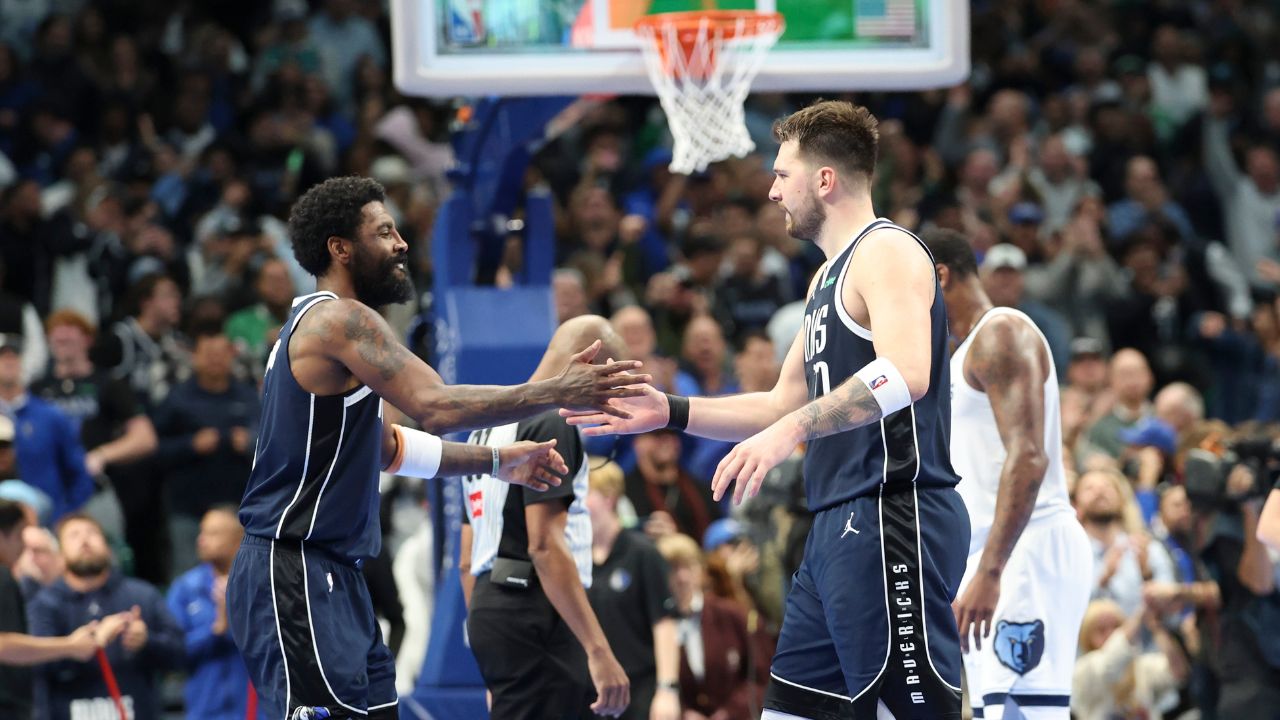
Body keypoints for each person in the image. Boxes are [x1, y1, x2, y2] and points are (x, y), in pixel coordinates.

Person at [566, 100, 969, 719]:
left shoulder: (886, 250)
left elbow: (907, 373)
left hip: (892, 514)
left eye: (783, 174)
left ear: (825, 180)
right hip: (834, 522)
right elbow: (782, 401)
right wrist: (668, 410)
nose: (773, 190)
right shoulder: (823, 281)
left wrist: (790, 432)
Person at [226, 176, 649, 720]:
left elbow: (389, 448)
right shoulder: (339, 319)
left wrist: (496, 461)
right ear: (340, 248)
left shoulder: (327, 331)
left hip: (335, 573)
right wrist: (556, 392)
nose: (402, 243)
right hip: (293, 566)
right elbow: (435, 405)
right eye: (384, 232)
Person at [923, 228, 1093, 720]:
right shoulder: (959, 355)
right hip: (996, 554)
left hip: (1024, 549)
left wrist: (992, 571)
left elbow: (1029, 456)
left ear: (940, 276)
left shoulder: (1001, 331)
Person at [459, 315, 630, 720]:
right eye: (611, 386)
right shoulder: (552, 422)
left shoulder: (484, 428)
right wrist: (598, 650)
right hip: (536, 609)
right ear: (588, 366)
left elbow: (466, 560)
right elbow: (544, 546)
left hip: (490, 609)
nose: (609, 404)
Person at [27, 513, 185, 720]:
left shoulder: (142, 595)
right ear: (60, 555)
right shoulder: (44, 604)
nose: (85, 540)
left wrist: (147, 641)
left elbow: (180, 655)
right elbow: (34, 664)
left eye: (92, 533)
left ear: (109, 549)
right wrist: (79, 646)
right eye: (74, 535)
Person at [153, 325, 260, 579]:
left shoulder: (248, 397)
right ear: (195, 357)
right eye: (208, 354)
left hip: (239, 506)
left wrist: (249, 443)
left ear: (232, 356)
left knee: (244, 574)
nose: (215, 360)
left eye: (221, 353)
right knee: (186, 575)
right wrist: (190, 445)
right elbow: (155, 450)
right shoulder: (177, 398)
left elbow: (271, 444)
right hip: (188, 506)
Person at [586, 460, 681, 720]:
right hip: (589, 694)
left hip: (638, 690)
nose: (575, 503)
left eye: (584, 494)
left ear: (608, 499)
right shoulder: (575, 557)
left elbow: (664, 624)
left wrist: (667, 690)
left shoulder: (642, 553)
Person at [0, 500, 104, 720]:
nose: (23, 548)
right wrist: (71, 646)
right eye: (20, 536)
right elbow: (2, 645)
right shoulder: (3, 577)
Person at [167, 506, 267, 720]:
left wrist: (240, 615)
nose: (201, 540)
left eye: (213, 534)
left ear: (238, 539)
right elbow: (173, 654)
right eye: (202, 532)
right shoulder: (185, 588)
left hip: (257, 711)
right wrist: (216, 629)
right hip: (204, 712)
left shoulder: (262, 584)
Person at [656, 532, 762, 720]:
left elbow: (761, 676)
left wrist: (728, 713)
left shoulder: (732, 615)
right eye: (673, 567)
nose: (682, 577)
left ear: (701, 570)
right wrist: (684, 713)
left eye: (688, 566)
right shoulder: (657, 625)